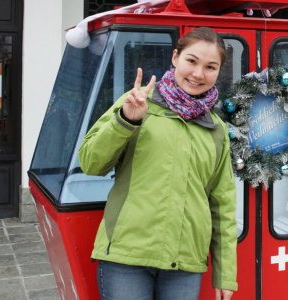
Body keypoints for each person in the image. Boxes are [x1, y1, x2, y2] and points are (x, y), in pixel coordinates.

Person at [78, 27, 237, 300]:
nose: (198, 74)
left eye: (210, 67)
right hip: (127, 258)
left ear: (218, 71)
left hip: (185, 263)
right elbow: (91, 163)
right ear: (176, 57)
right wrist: (126, 120)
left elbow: (222, 204)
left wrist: (225, 274)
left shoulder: (216, 129)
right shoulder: (138, 103)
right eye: (191, 61)